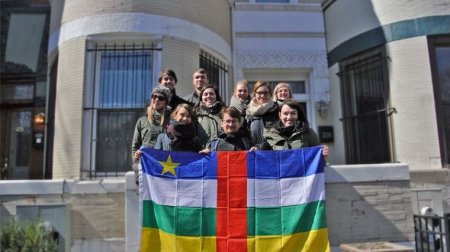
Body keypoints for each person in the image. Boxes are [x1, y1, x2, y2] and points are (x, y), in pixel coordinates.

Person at [262, 99, 328, 157]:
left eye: (293, 113)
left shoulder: (309, 133)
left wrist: (322, 155)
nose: (289, 117)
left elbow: (317, 161)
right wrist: (257, 150)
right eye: (285, 113)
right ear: (280, 115)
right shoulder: (269, 133)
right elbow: (264, 158)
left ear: (298, 115)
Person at [131, 86, 172, 182]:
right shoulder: (142, 121)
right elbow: (135, 147)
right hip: (146, 171)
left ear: (165, 102)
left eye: (161, 98)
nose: (156, 99)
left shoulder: (172, 121)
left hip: (167, 170)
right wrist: (137, 169)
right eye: (154, 96)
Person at [246, 81, 279, 146]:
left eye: (265, 93)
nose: (262, 96)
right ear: (255, 94)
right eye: (259, 93)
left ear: (270, 94)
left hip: (272, 152)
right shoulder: (248, 111)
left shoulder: (277, 109)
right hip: (253, 152)